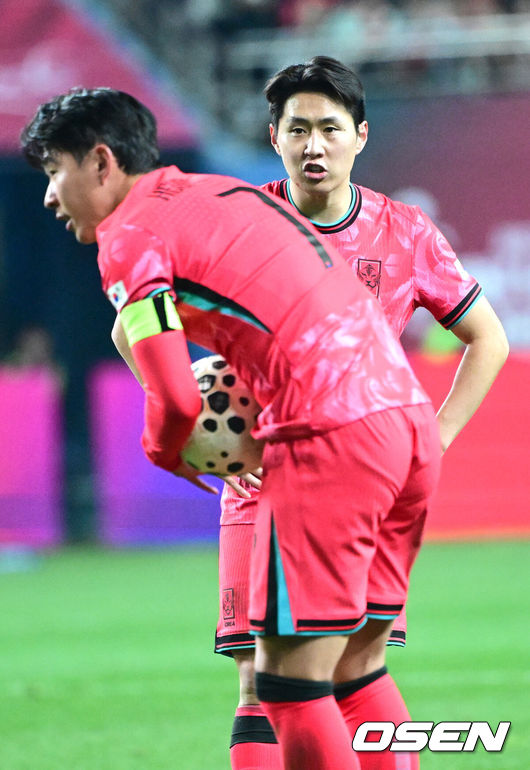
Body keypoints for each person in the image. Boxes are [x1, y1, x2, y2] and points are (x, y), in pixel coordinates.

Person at [22, 87, 442, 770]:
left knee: (288, 688)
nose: (47, 196)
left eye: (53, 171)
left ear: (100, 161)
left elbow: (176, 397)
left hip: (327, 435)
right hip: (406, 425)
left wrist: (164, 450)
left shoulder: (130, 236)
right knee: (357, 670)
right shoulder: (224, 193)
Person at [213, 57, 509, 769]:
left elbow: (488, 339)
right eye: (297, 130)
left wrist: (435, 437)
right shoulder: (238, 226)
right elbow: (141, 322)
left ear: (361, 135)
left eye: (329, 128)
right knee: (259, 678)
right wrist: (200, 421)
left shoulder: (404, 232)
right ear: (274, 137)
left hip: (365, 484)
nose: (313, 145)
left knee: (354, 667)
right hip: (263, 484)